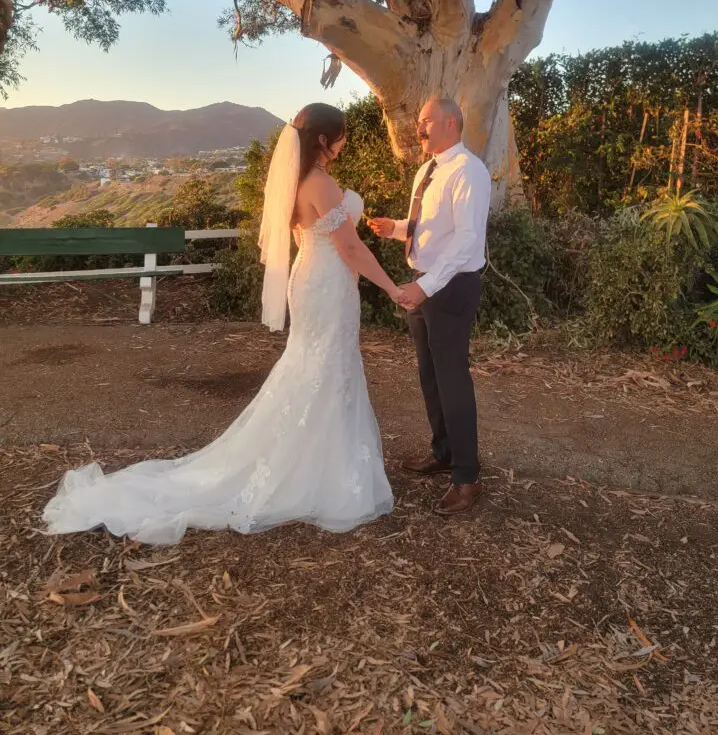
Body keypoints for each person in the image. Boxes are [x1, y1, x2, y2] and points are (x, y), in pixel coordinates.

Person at [43, 104, 404, 545]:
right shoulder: (321, 183)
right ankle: (322, 470)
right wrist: (391, 287)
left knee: (317, 365)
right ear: (325, 141)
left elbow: (310, 238)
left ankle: (319, 459)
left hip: (312, 278)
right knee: (326, 366)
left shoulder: (295, 182)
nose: (345, 142)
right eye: (342, 136)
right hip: (327, 284)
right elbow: (348, 247)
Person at [369, 98, 491, 516]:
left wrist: (428, 287)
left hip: (452, 287)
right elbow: (428, 227)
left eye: (425, 122)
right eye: (419, 122)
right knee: (430, 375)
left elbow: (466, 241)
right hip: (425, 282)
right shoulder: (427, 170)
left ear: (450, 122)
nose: (419, 129)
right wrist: (394, 229)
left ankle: (468, 477)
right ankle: (443, 452)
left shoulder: (469, 171)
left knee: (453, 378)